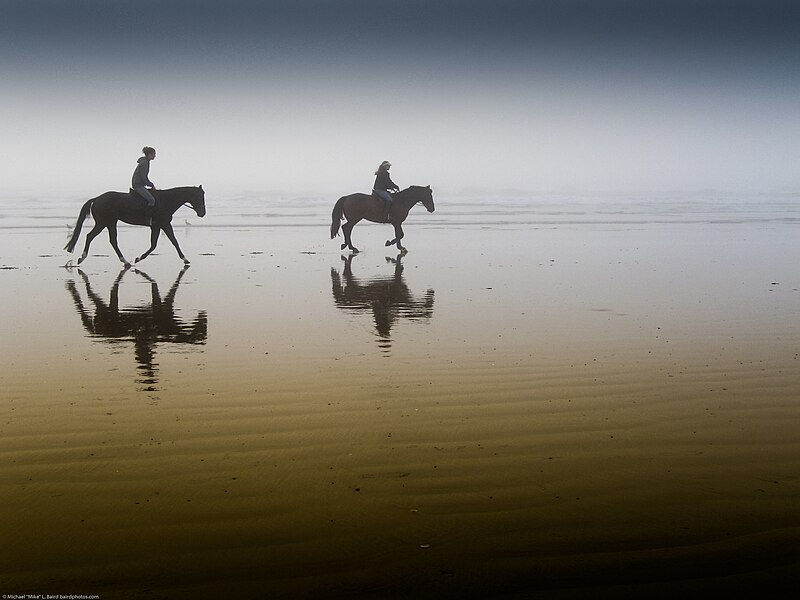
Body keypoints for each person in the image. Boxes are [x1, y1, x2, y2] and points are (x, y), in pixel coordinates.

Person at [132, 146, 157, 224]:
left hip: (139, 184)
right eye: (154, 154)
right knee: (152, 200)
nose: (155, 156)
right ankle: (147, 219)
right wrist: (151, 185)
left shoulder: (145, 161)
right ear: (149, 154)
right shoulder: (145, 163)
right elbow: (143, 177)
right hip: (138, 185)